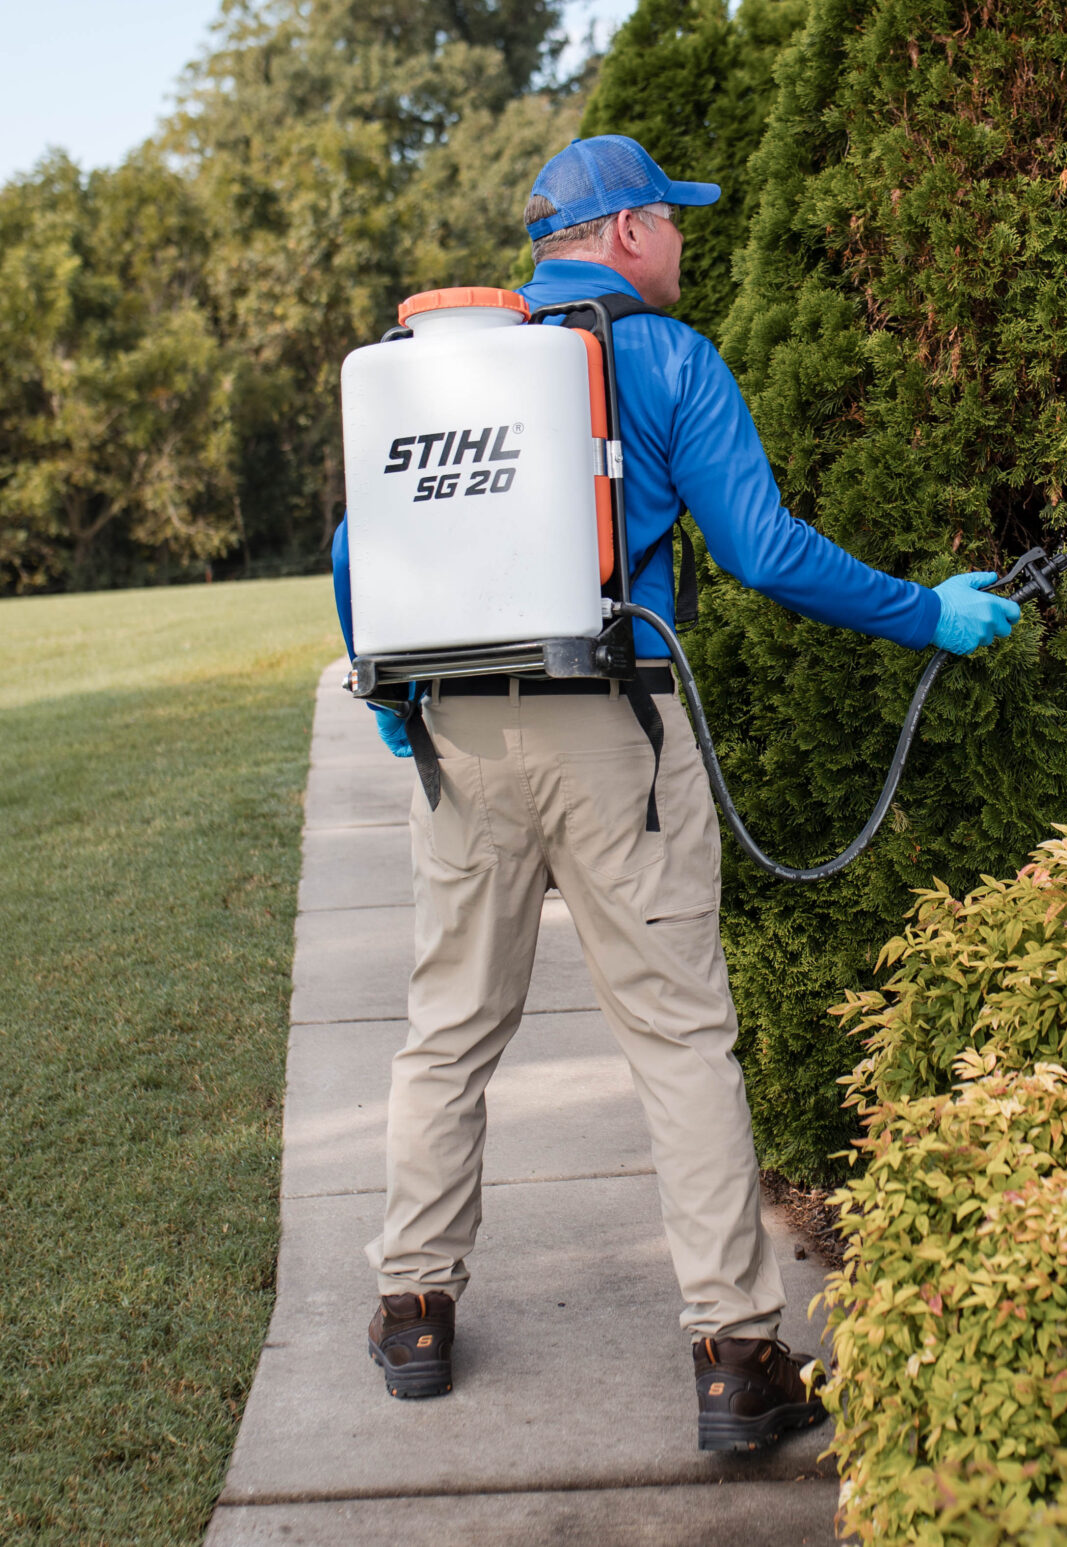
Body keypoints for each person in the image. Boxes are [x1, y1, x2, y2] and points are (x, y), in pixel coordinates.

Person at [345, 135, 1019, 1452]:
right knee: (677, 1036)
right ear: (631, 227)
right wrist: (925, 615)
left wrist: (389, 706)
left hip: (463, 741)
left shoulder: (438, 368)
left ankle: (414, 1307)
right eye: (676, 219)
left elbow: (350, 547)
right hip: (619, 727)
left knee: (447, 1028)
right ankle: (735, 1354)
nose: (685, 243)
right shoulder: (666, 356)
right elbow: (762, 550)